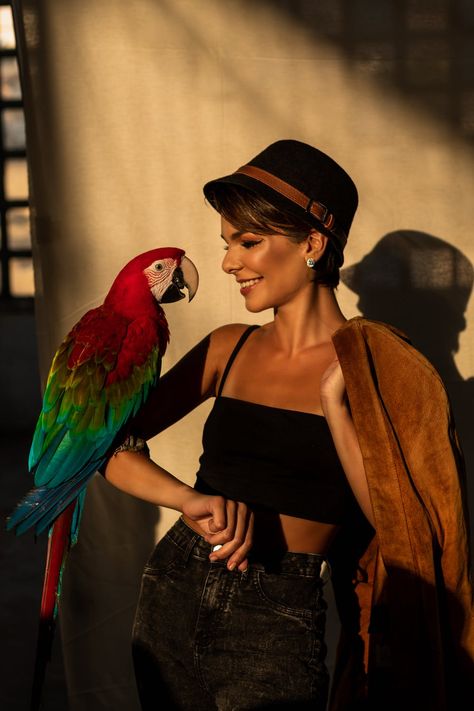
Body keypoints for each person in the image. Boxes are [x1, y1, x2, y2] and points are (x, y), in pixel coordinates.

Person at [104, 140, 473, 710]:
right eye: (227, 245)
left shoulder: (378, 366)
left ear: (313, 243)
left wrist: (338, 408)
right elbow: (107, 447)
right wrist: (185, 499)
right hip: (172, 592)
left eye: (248, 242)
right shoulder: (229, 347)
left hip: (279, 611)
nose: (229, 263)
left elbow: (404, 535)